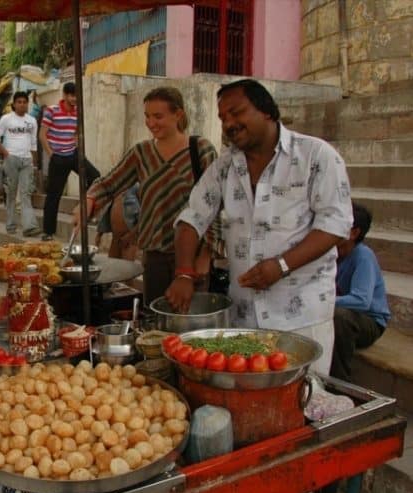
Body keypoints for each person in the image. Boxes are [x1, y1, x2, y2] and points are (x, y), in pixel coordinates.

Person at [165, 79, 353, 374]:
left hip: (302, 315)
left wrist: (281, 265)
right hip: (245, 317)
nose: (229, 123)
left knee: (305, 400)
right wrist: (184, 272)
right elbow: (192, 218)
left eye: (236, 112)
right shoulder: (225, 166)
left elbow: (335, 224)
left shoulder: (316, 156)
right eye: (223, 118)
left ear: (267, 111)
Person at [74, 87, 220, 305]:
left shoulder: (200, 149)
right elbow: (108, 183)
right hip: (154, 255)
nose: (151, 123)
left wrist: (204, 258)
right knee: (156, 321)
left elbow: (216, 205)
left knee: (189, 323)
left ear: (178, 114)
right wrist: (88, 200)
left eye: (158, 116)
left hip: (192, 257)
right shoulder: (141, 153)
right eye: (147, 116)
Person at [331, 202, 391, 381]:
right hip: (344, 313)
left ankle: (339, 383)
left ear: (354, 232)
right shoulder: (332, 253)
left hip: (370, 322)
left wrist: (325, 301)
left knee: (339, 316)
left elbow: (361, 300)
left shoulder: (363, 256)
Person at [40, 81, 101, 241]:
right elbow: (42, 135)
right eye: (72, 95)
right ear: (65, 95)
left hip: (73, 154)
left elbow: (75, 132)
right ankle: (48, 232)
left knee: (96, 177)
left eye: (76, 96)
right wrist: (51, 154)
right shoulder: (51, 111)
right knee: (54, 194)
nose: (74, 99)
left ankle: (85, 210)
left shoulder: (77, 112)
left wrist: (78, 150)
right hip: (57, 157)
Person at [0, 91, 41, 237]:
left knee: (25, 193)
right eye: (19, 102)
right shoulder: (6, 119)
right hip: (11, 159)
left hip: (27, 160)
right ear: (14, 104)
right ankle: (11, 224)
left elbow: (33, 144)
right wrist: (6, 154)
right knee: (11, 193)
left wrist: (35, 162)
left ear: (27, 104)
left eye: (24, 102)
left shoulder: (32, 120)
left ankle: (29, 227)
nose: (22, 104)